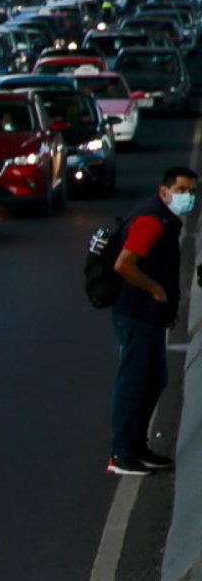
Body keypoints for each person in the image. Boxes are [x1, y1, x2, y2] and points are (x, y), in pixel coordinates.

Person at [110, 167, 198, 475]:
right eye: (182, 190)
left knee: (153, 380)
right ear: (164, 191)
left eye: (192, 191)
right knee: (134, 383)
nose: (188, 197)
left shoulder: (164, 218)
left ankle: (138, 447)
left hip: (149, 315)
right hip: (136, 314)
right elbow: (124, 265)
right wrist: (156, 290)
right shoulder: (151, 221)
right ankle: (122, 454)